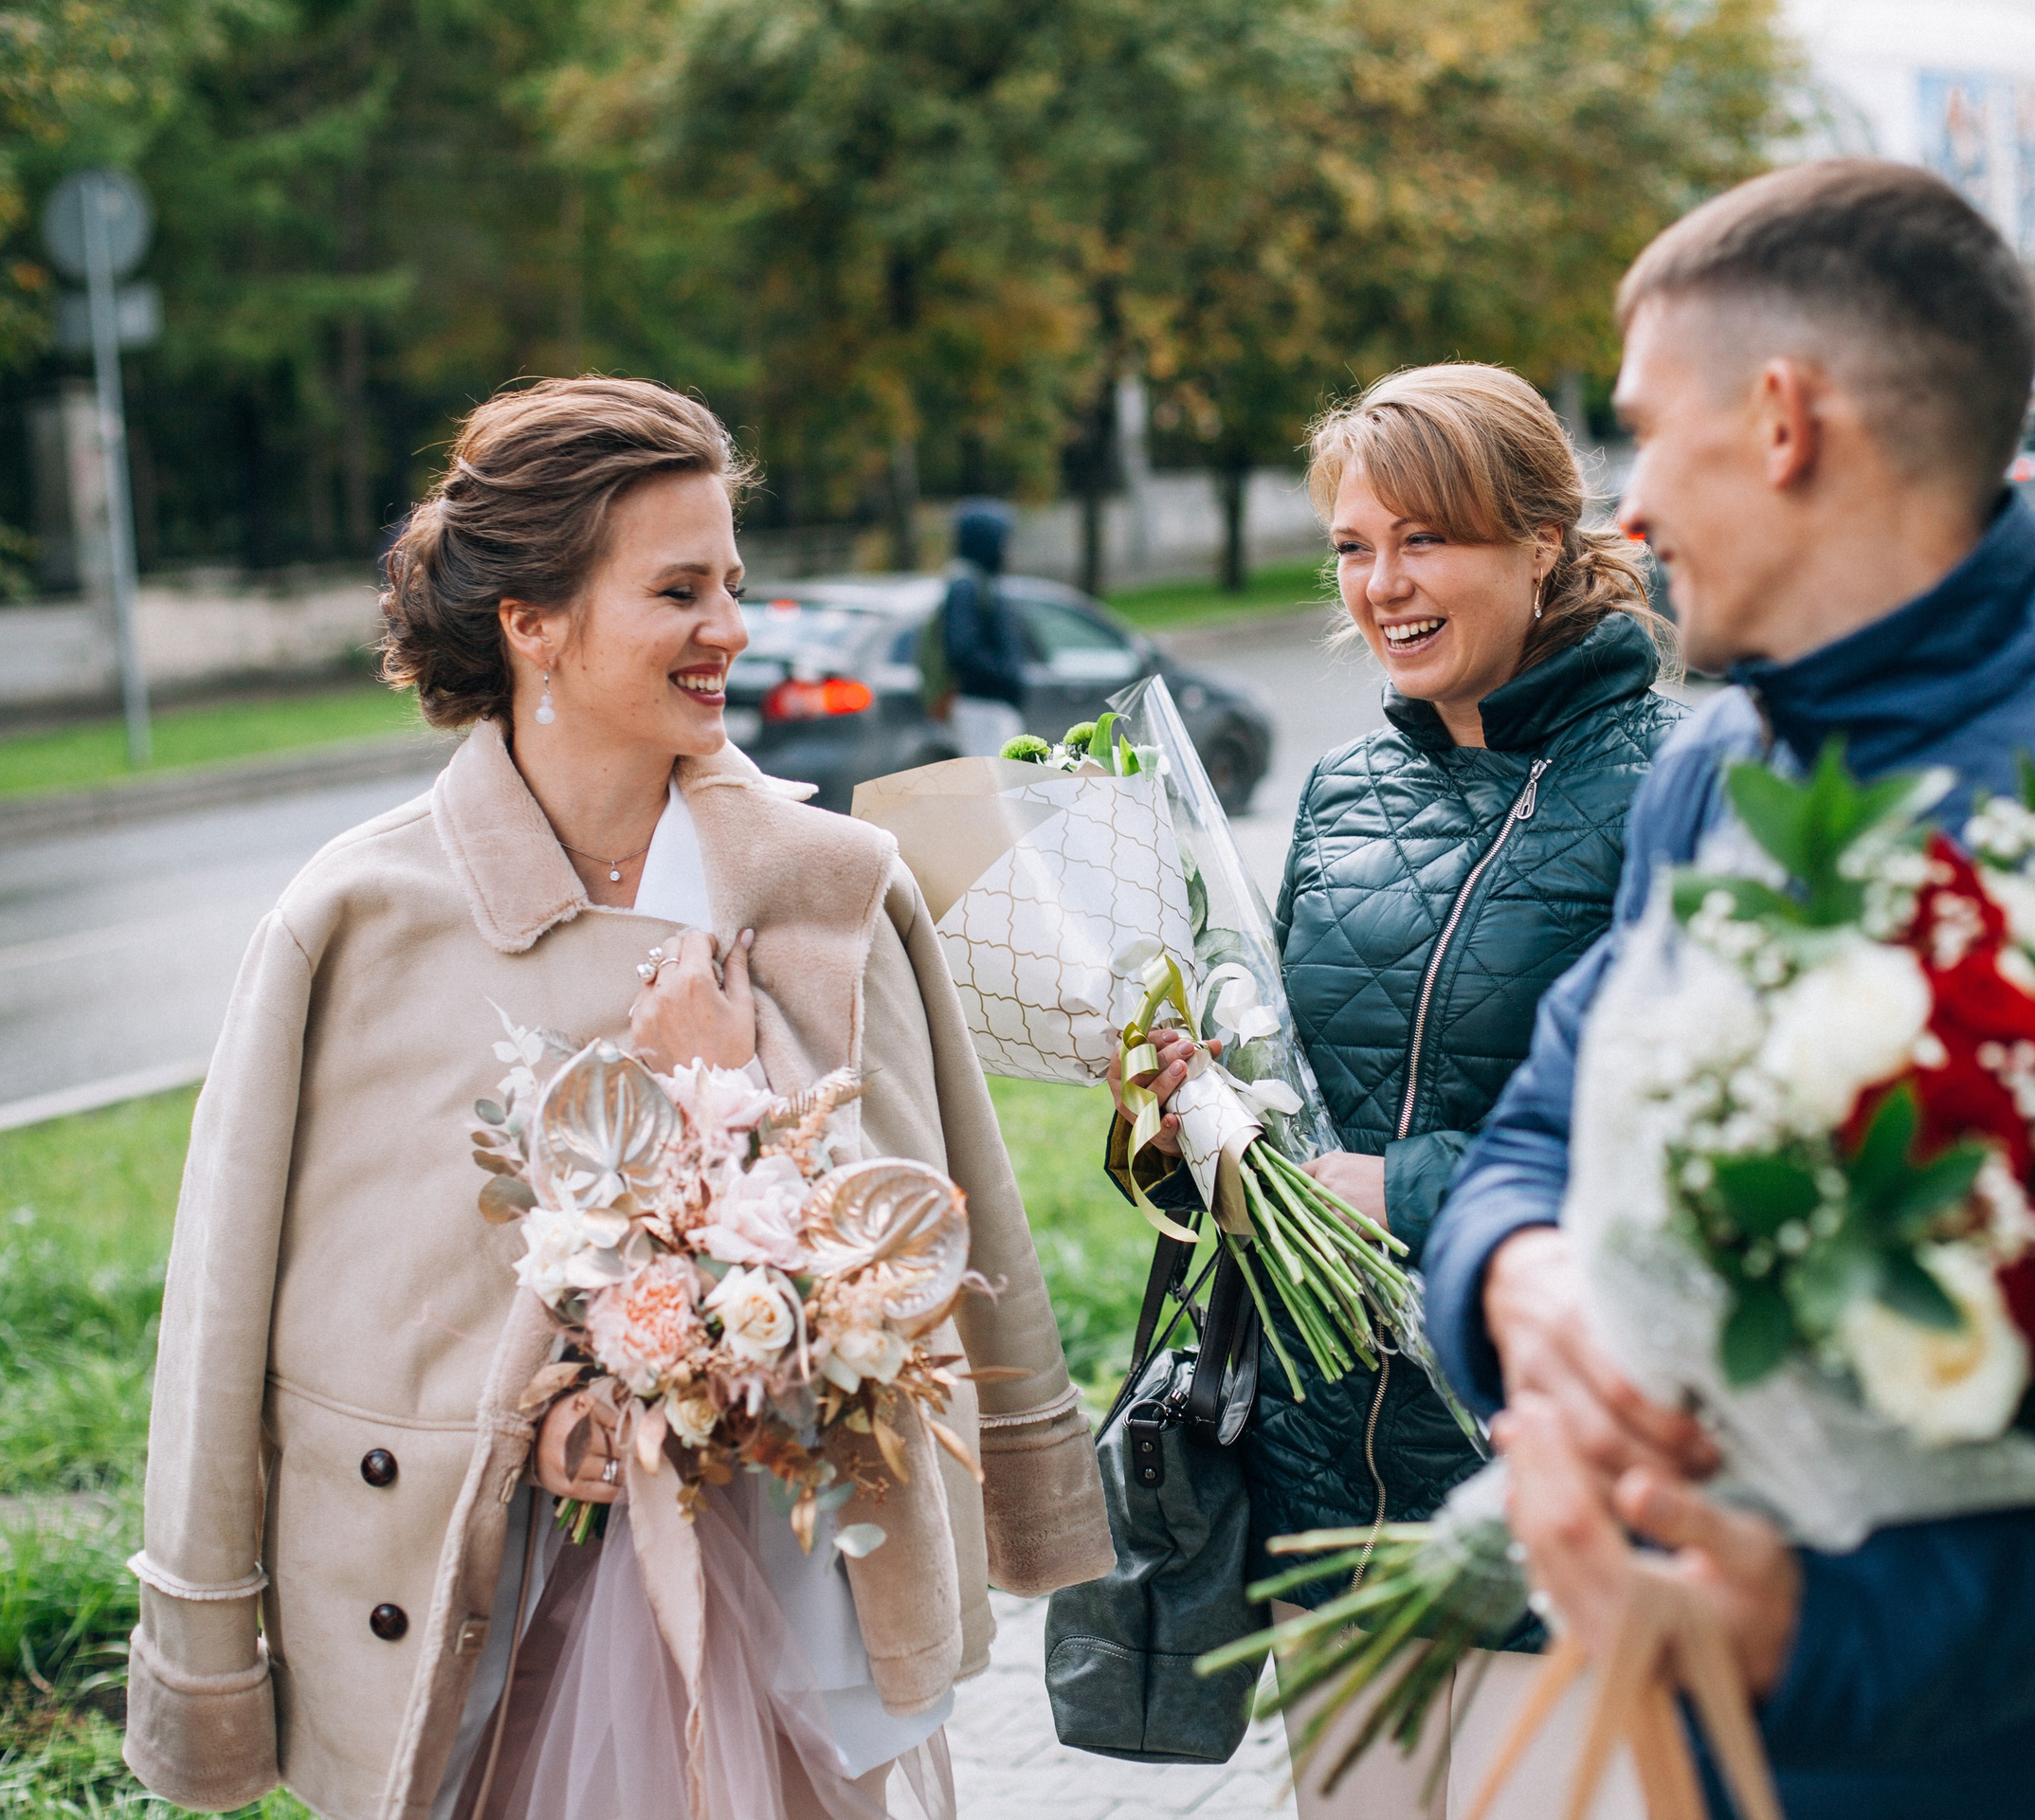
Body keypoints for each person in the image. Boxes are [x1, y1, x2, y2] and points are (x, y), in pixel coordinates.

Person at [1425, 160, 2035, 1818]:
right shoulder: (1708, 776)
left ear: (1783, 420)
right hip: (1737, 1746)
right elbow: (1533, 1134)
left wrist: (1814, 1634)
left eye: (1650, 427)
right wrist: (1521, 1281)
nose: (1628, 506)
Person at [123, 377, 1113, 1820]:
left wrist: (730, 1086)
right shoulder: (357, 917)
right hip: (468, 1623)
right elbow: (229, 1316)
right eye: (678, 589)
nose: (731, 629)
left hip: (801, 1599)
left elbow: (942, 1251)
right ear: (533, 621)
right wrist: (520, 1431)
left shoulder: (832, 888)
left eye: (733, 583)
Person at [1112, 363, 1685, 1817]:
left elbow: (1704, 1146)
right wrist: (1190, 1115)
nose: (1381, 585)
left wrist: (1418, 1190)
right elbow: (1289, 1083)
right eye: (1355, 548)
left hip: (1538, 1462)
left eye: (1424, 539)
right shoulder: (1347, 786)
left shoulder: (1682, 789)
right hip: (1325, 1469)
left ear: (1541, 544)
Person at [919, 499, 1028, 757]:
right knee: (994, 787)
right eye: (1002, 541)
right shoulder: (965, 586)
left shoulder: (979, 582)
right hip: (981, 706)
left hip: (988, 707)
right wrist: (1006, 673)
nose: (1007, 550)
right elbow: (963, 649)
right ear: (985, 541)